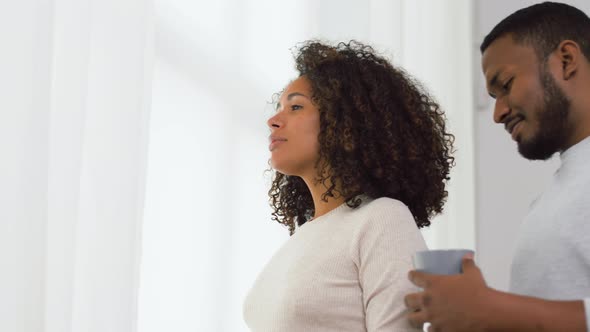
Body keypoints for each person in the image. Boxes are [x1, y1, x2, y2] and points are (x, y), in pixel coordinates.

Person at [243, 40, 455, 331]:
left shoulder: (382, 219)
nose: (273, 120)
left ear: (345, 122)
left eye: (295, 106)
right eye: (279, 107)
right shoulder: (302, 236)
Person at [404, 2, 590, 331]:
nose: (498, 112)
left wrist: (492, 310)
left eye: (505, 85)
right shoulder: (558, 194)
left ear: (566, 60)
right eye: (492, 96)